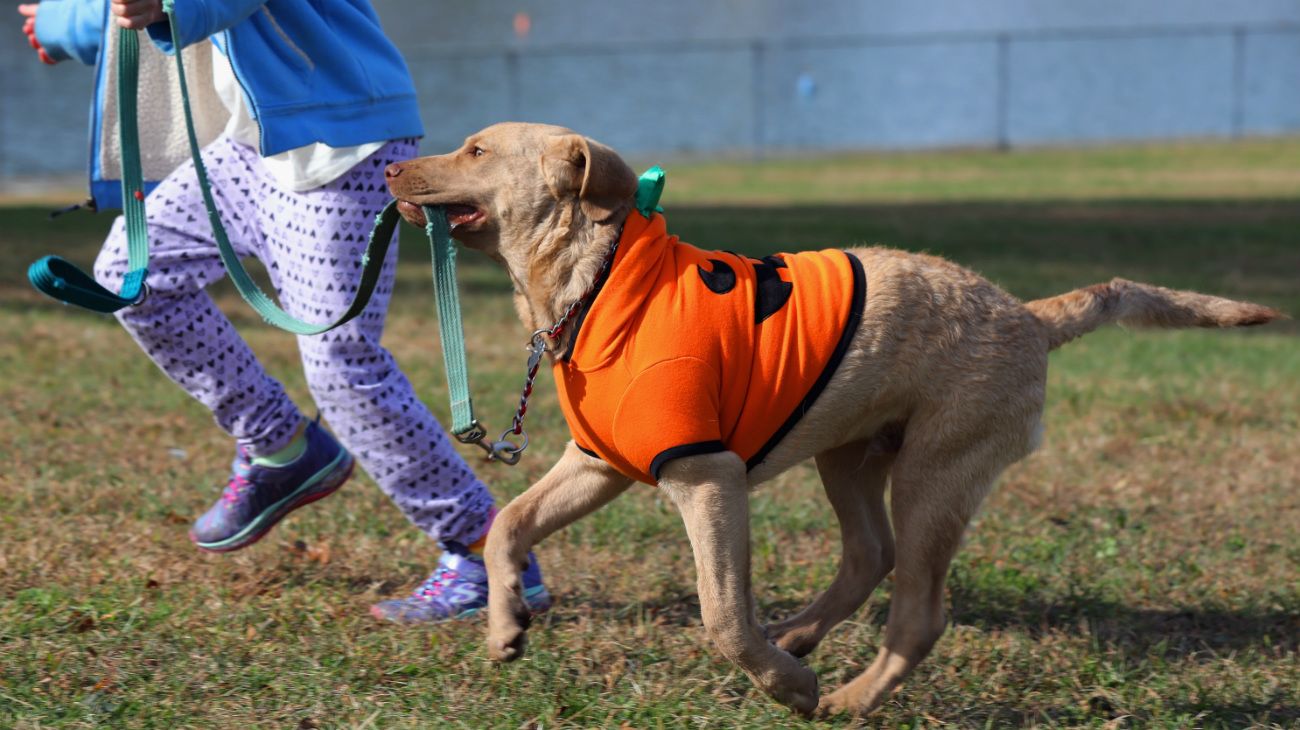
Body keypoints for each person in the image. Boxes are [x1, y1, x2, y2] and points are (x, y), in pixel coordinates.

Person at [18, 0, 550, 623]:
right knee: (135, 277)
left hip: (340, 148)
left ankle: (486, 553)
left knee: (340, 366)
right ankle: (281, 446)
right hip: (250, 148)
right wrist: (63, 22)